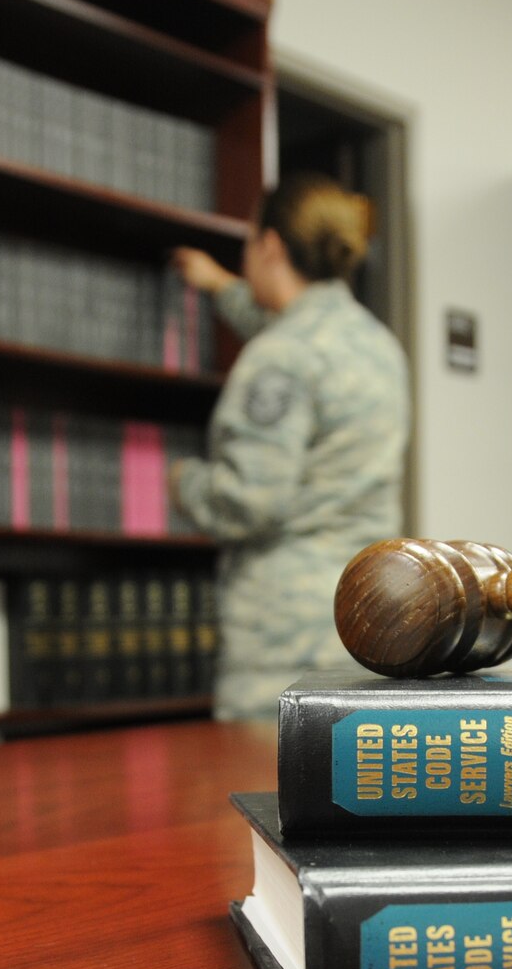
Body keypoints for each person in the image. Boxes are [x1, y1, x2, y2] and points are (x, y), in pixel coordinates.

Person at [170, 173, 410, 722]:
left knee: (264, 793)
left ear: (271, 245)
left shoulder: (279, 355)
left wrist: (183, 483)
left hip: (281, 643)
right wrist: (219, 286)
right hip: (367, 619)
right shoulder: (378, 346)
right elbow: (293, 335)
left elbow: (249, 500)